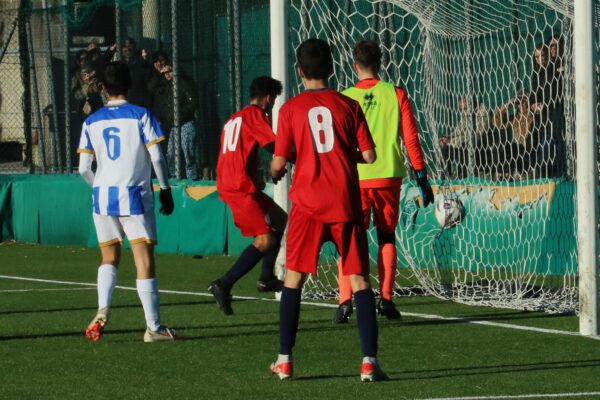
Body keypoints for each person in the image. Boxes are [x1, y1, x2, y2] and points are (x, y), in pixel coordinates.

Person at [269, 38, 387, 381]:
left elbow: (278, 163)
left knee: (294, 279)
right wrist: (338, 155)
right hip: (345, 202)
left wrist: (279, 168)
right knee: (360, 280)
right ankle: (368, 362)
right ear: (333, 69)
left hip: (307, 204)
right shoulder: (348, 105)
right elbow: (368, 156)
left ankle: (285, 360)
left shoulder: (290, 109)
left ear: (300, 71)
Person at [77, 61, 181, 342]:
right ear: (130, 86)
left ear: (102, 88)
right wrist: (166, 188)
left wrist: (99, 186)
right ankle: (154, 328)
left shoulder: (91, 121)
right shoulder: (141, 115)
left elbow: (84, 169)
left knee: (109, 256)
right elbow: (157, 156)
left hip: (103, 197)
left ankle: (102, 309)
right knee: (144, 260)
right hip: (134, 196)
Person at [333, 39, 434, 325]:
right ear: (380, 64)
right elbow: (410, 138)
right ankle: (386, 299)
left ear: (355, 65)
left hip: (356, 177)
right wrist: (421, 175)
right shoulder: (396, 93)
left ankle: (344, 301)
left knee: (351, 239)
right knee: (386, 236)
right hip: (389, 175)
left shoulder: (344, 97)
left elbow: (339, 143)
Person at [208, 76, 287, 315]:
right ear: (268, 99)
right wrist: (299, 155)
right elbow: (273, 145)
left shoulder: (234, 118)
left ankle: (266, 278)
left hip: (237, 182)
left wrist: (255, 177)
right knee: (265, 241)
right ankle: (223, 284)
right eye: (273, 102)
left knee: (281, 220)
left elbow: (233, 155)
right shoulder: (255, 115)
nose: (272, 107)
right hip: (238, 187)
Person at [157, 63, 200, 180]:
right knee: (171, 154)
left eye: (170, 71)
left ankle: (192, 178)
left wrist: (181, 114)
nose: (168, 75)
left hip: (186, 123)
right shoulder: (167, 87)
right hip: (174, 126)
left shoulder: (183, 84)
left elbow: (193, 102)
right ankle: (175, 177)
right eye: (165, 73)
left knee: (188, 153)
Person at [439, 94, 490, 178]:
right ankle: (445, 178)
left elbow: (476, 134)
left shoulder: (482, 112)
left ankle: (463, 178)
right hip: (464, 142)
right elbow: (459, 130)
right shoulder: (465, 113)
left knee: (463, 146)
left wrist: (452, 141)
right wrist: (448, 138)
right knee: (445, 148)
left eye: (464, 100)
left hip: (480, 147)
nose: (463, 110)